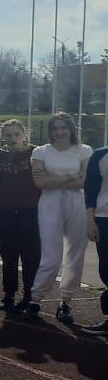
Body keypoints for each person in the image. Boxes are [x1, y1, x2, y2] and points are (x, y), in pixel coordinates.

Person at [31, 111, 92, 324]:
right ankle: (36, 298)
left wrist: (54, 179)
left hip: (77, 203)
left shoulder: (84, 150)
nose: (59, 132)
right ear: (50, 131)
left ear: (71, 129)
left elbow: (84, 182)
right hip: (49, 204)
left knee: (75, 254)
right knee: (51, 256)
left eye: (63, 127)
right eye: (55, 128)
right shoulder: (41, 151)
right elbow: (39, 183)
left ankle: (65, 301)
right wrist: (69, 176)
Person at [0, 119, 42, 314]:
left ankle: (30, 293)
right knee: (8, 252)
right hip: (4, 210)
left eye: (16, 134)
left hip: (30, 210)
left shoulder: (35, 153)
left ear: (24, 135)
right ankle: (8, 293)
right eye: (8, 135)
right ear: (3, 136)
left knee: (30, 253)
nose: (13, 138)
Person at [82, 140, 108, 335]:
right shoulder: (100, 155)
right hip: (103, 218)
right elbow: (90, 190)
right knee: (107, 269)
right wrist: (90, 220)